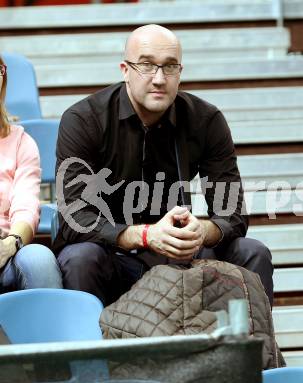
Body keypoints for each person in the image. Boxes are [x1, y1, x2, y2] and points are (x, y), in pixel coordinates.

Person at [54, 24, 273, 307]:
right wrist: (144, 235)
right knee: (80, 257)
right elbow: (74, 217)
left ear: (180, 72)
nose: (159, 79)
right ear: (125, 70)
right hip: (113, 256)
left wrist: (201, 232)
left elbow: (233, 214)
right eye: (146, 65)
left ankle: (252, 351)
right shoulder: (84, 120)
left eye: (169, 67)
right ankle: (92, 352)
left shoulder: (205, 120)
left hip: (181, 256)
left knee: (251, 251)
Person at [0, 56, 62, 292]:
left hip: (5, 247)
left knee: (39, 258)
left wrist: (10, 244)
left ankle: (50, 328)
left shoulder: (21, 142)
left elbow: (26, 207)